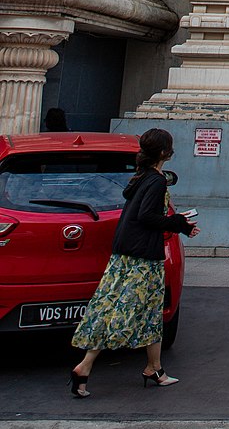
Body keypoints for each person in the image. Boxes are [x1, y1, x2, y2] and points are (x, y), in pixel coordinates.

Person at [70, 128, 199, 396]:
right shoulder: (156, 181)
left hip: (126, 253)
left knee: (143, 312)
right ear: (165, 152)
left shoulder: (142, 177)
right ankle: (85, 365)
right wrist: (179, 223)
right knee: (123, 313)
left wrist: (180, 224)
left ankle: (155, 368)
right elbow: (147, 217)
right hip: (142, 258)